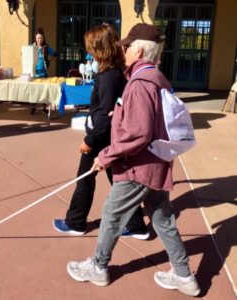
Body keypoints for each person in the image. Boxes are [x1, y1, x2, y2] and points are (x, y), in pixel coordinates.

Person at [66, 23, 201, 297]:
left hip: (139, 166)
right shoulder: (156, 77)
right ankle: (184, 275)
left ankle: (99, 268)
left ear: (138, 50)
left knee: (112, 215)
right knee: (162, 219)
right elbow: (146, 121)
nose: (123, 50)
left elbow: (138, 134)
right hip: (156, 163)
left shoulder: (140, 82)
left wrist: (106, 155)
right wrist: (121, 114)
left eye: (126, 46)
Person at [53, 23, 149, 240]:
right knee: (119, 181)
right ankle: (136, 226)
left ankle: (75, 222)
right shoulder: (112, 73)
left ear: (101, 50)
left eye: (91, 49)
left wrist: (90, 139)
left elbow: (106, 114)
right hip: (108, 137)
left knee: (85, 179)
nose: (88, 53)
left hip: (101, 138)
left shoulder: (108, 78)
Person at [31, 27, 58, 114]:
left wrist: (49, 61)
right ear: (35, 38)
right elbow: (24, 53)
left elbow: (55, 54)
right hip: (34, 73)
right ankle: (34, 107)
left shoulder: (46, 47)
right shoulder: (32, 47)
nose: (39, 40)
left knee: (43, 91)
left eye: (41, 38)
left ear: (43, 38)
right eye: (38, 38)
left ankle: (44, 107)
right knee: (34, 91)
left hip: (43, 73)